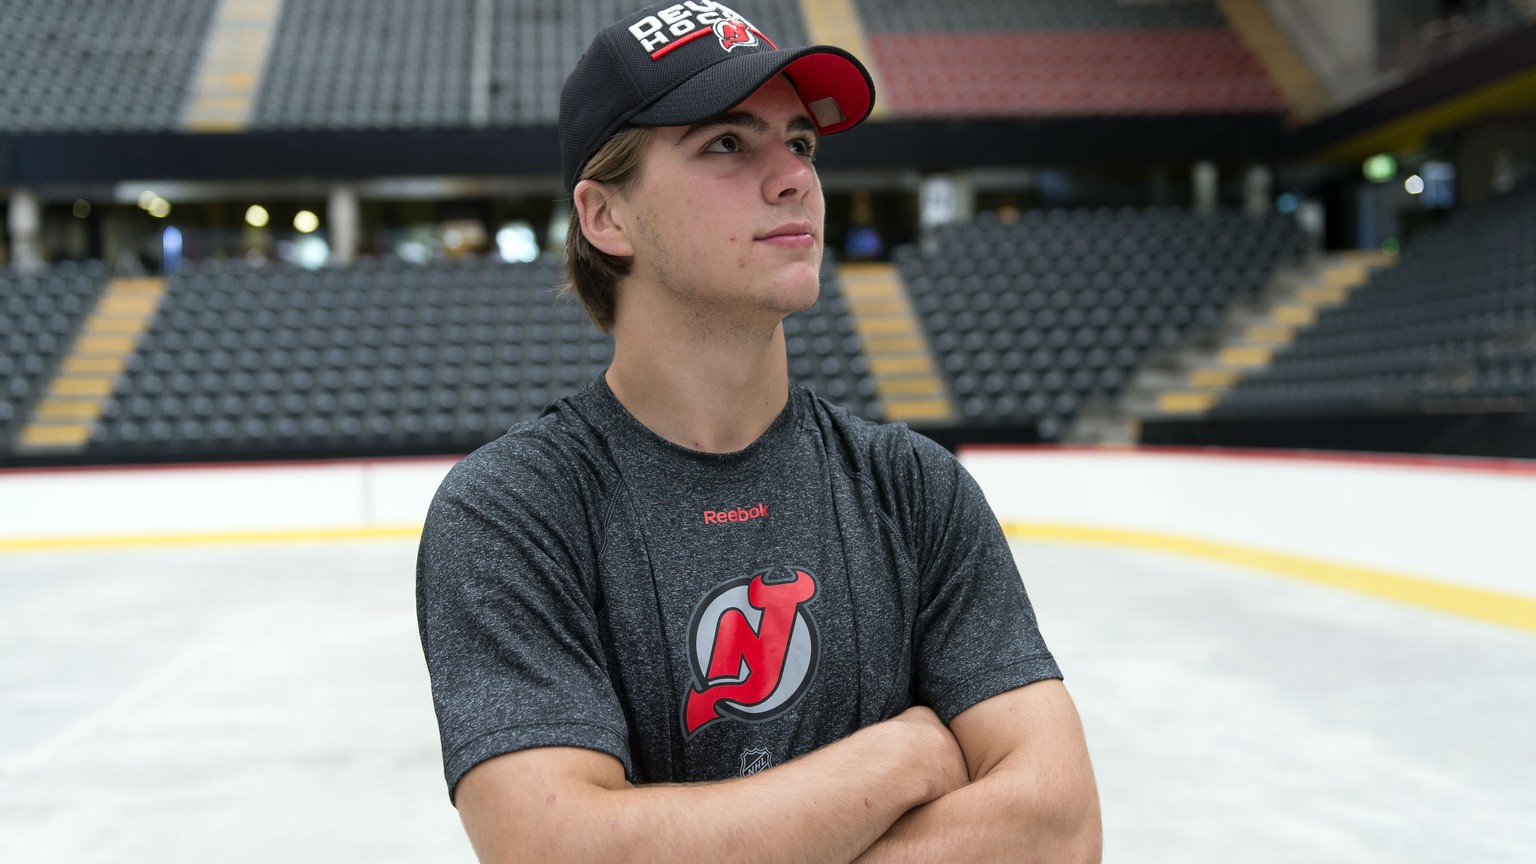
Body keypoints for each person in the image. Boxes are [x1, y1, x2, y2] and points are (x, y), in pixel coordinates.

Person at [416, 3, 1101, 861]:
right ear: (606, 217)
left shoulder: (915, 485)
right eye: (727, 145)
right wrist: (893, 761)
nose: (794, 179)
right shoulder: (514, 512)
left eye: (802, 144)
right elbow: (564, 850)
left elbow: (1060, 826)